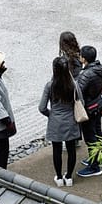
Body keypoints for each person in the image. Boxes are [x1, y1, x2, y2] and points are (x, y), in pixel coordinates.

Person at [39, 56, 81, 187]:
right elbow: (81, 102)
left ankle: (58, 177)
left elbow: (42, 107)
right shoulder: (73, 84)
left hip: (55, 122)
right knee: (71, 149)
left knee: (56, 150)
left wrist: (51, 115)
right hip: (71, 121)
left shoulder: (50, 85)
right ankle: (68, 176)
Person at [76, 45, 102, 177]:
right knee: (98, 132)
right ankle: (99, 158)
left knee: (90, 137)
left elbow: (78, 92)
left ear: (83, 58)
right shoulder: (101, 68)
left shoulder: (86, 75)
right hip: (98, 104)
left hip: (89, 108)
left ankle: (94, 166)